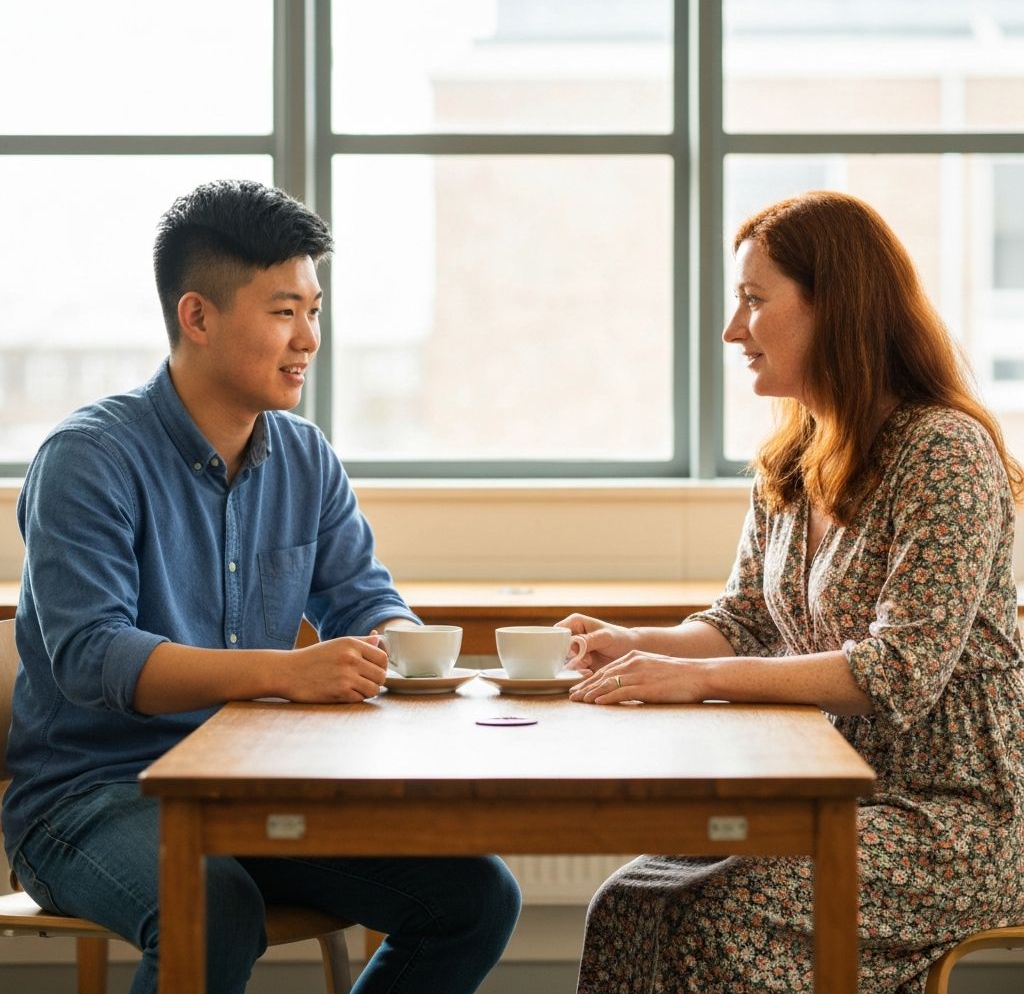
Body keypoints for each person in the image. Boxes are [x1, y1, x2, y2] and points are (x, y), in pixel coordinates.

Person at [2, 179, 520, 994]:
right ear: (198, 317)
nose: (308, 338)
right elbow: (91, 657)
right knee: (213, 908)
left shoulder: (305, 456)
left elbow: (362, 597)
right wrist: (287, 673)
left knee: (474, 896)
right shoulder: (89, 459)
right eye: (284, 311)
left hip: (249, 791)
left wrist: (394, 643)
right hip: (92, 798)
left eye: (314, 311)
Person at [561, 190, 1024, 993]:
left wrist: (696, 680)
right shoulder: (797, 451)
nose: (732, 330)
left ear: (833, 307)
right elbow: (742, 620)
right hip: (830, 793)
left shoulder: (945, 453)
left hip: (960, 819)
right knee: (627, 905)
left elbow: (895, 671)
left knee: (720, 915)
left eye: (753, 301)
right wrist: (639, 646)